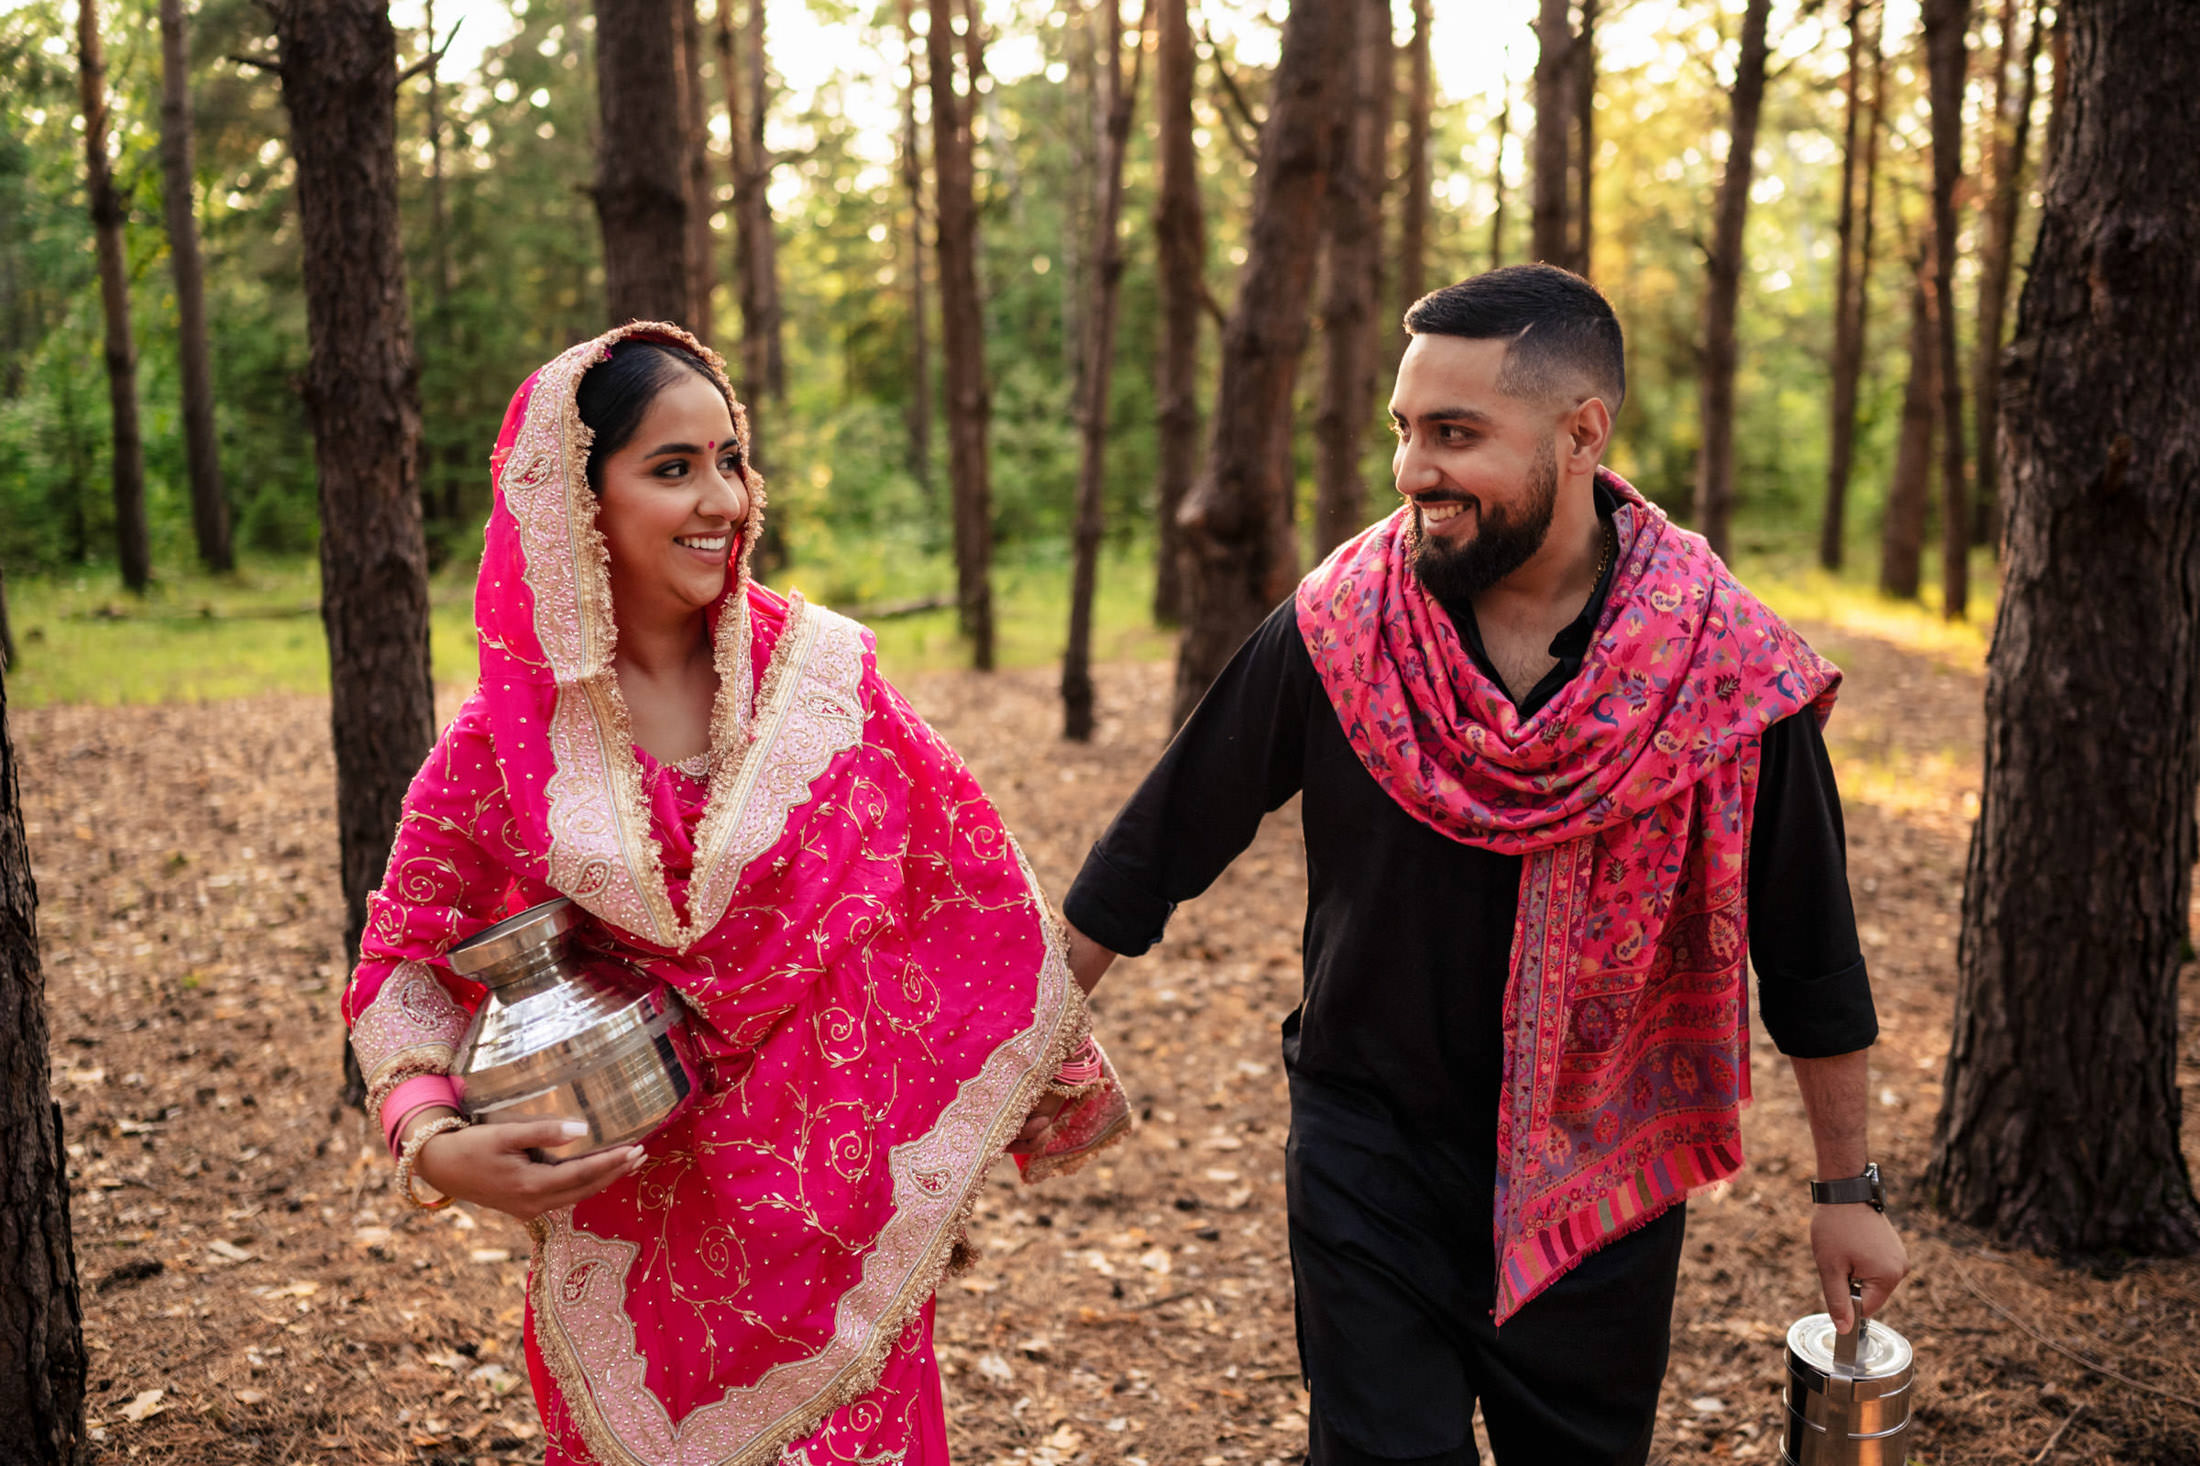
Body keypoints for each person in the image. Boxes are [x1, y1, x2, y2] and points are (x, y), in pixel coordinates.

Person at [1054, 266, 1907, 1465]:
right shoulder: (1342, 623)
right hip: (1366, 1155)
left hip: (1602, 1181)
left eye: (1455, 435)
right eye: (1403, 431)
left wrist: (1845, 1193)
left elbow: (1809, 947)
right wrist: (1020, 1041)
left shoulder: (1724, 669)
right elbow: (1164, 837)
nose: (1413, 471)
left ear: (1580, 434)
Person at [344, 322, 1126, 1466]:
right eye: (673, 467)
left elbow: (965, 879)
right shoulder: (503, 747)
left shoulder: (823, 687)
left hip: (845, 1249)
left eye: (730, 459)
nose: (722, 499)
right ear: (573, 503)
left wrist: (995, 1081)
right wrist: (431, 1140)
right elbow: (399, 966)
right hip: (635, 1253)